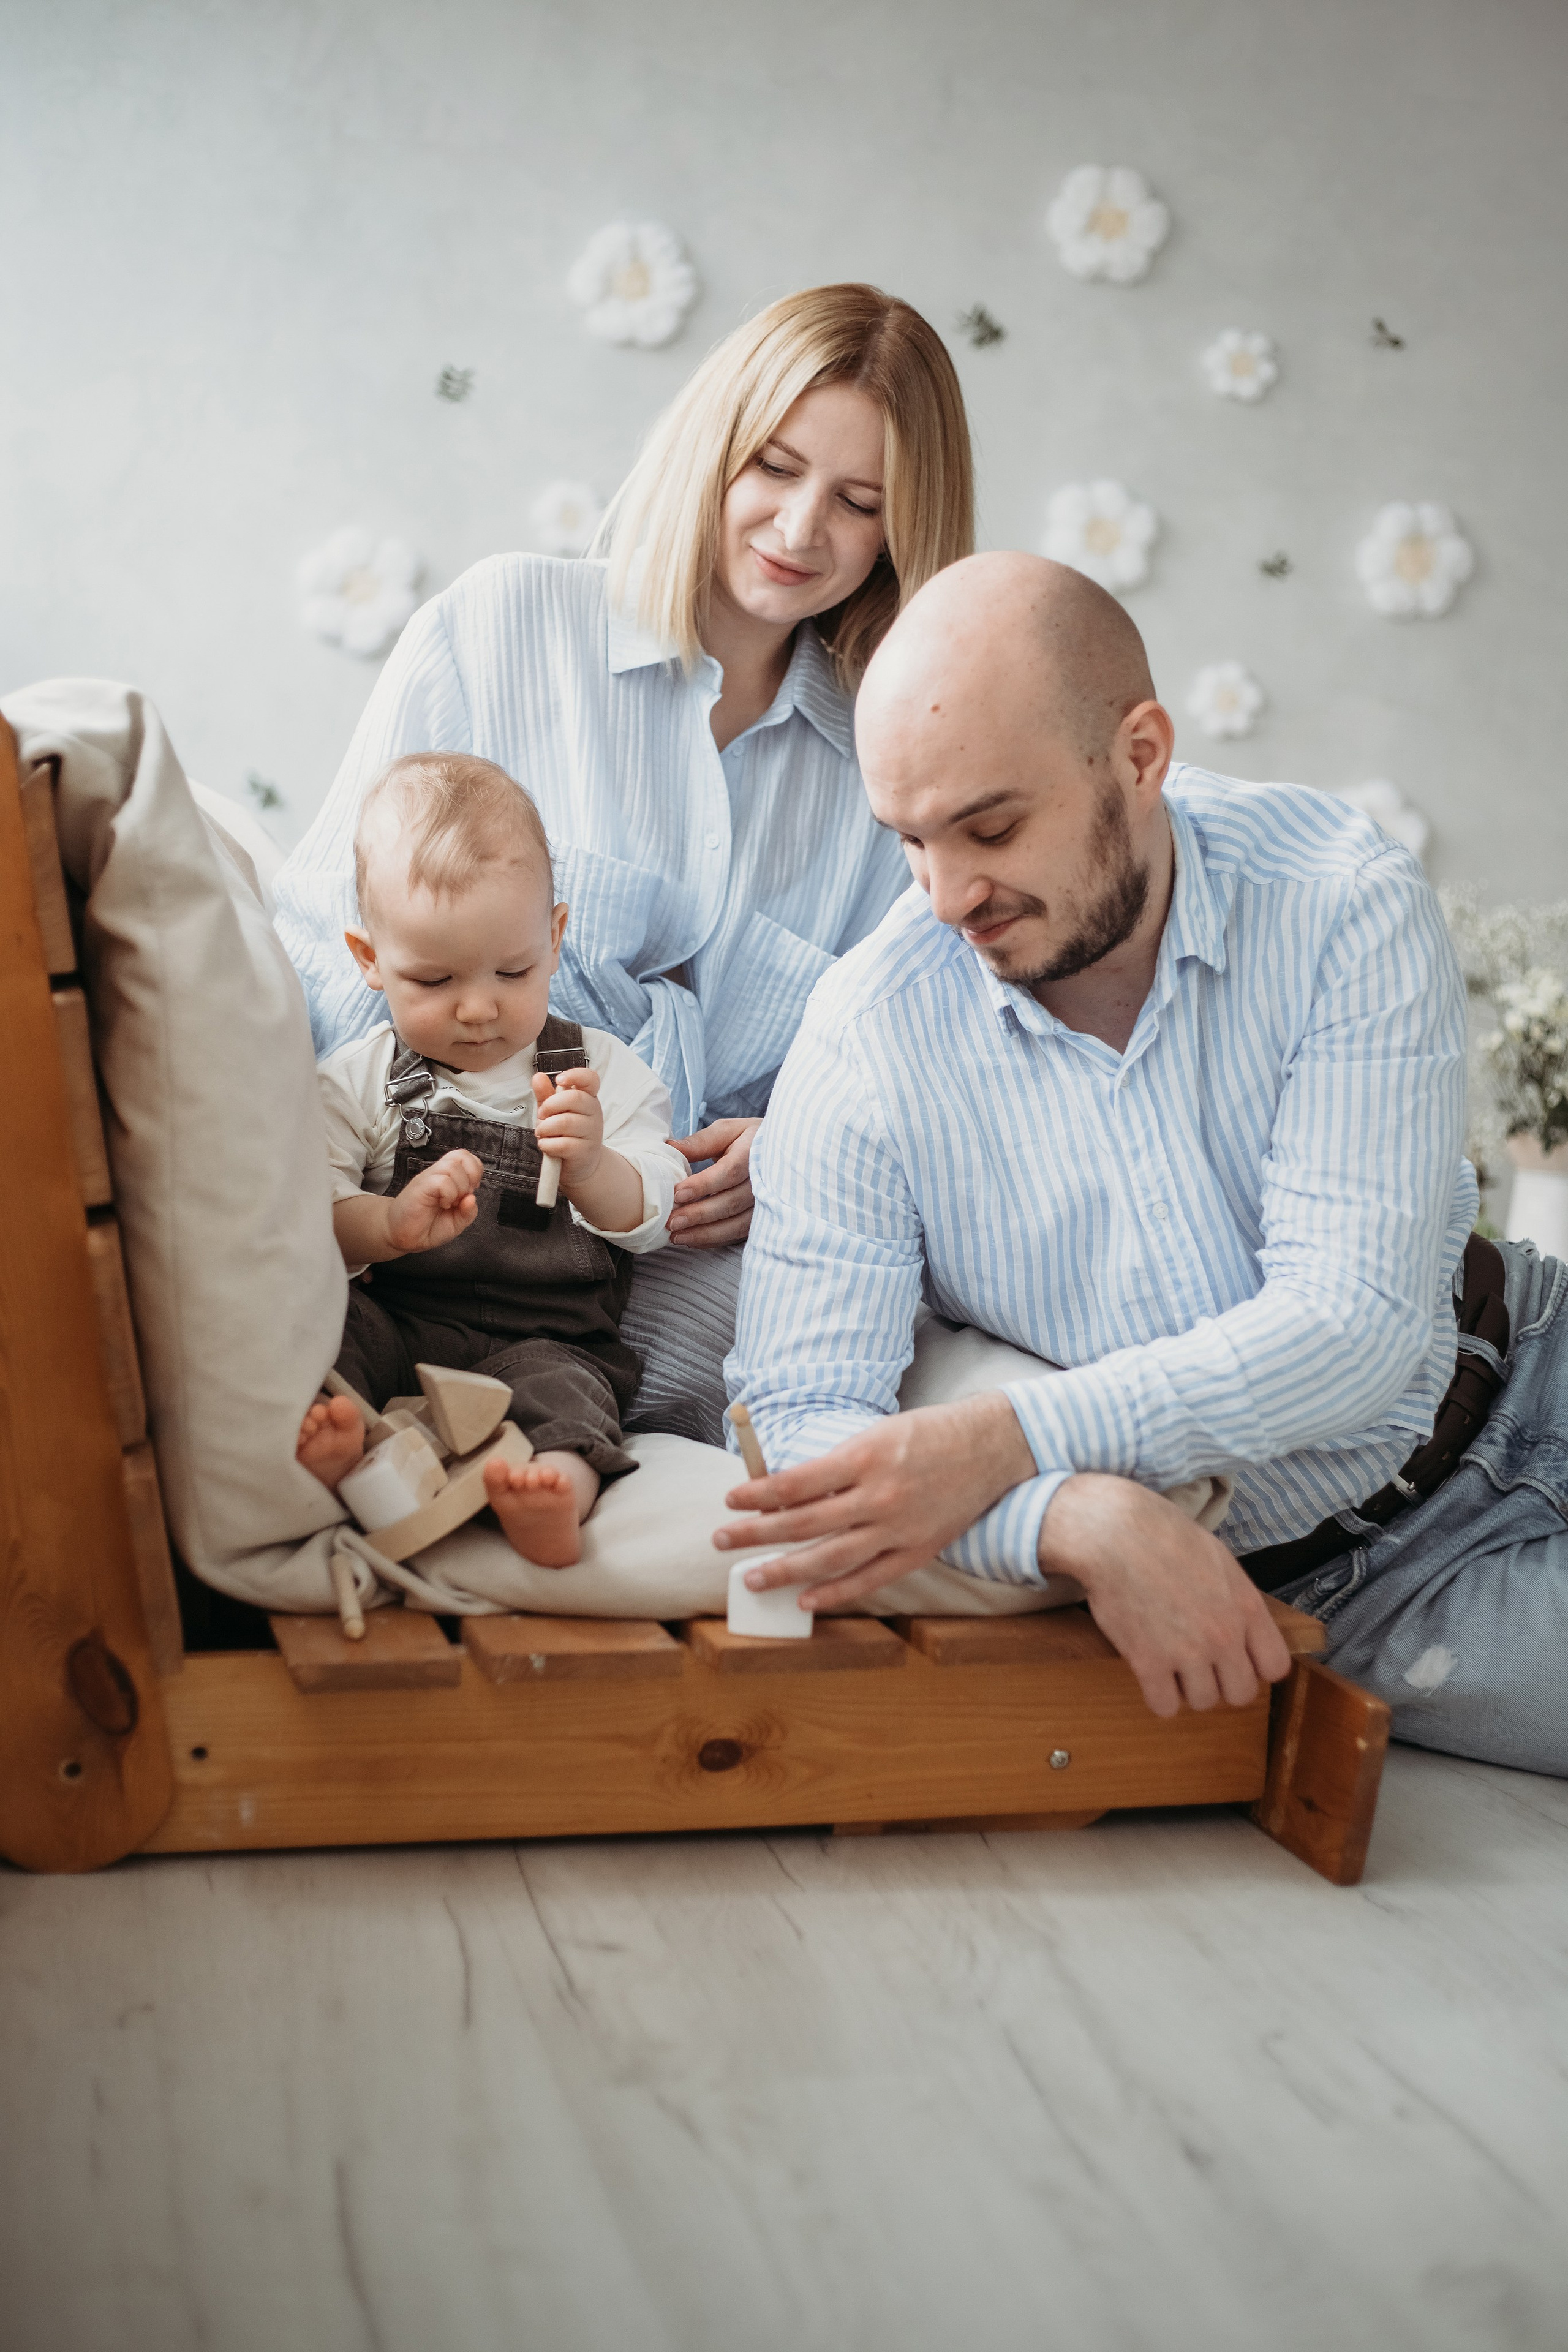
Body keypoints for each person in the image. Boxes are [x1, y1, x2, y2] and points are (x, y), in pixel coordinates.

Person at [722, 551, 1567, 1778]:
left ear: (1139, 754)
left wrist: (1007, 1439)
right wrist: (1064, 1509)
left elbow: (1351, 1325)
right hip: (1363, 1584)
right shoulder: (865, 1037)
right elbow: (801, 1423)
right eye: (905, 839)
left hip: (1532, 1350)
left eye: (990, 827)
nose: (946, 894)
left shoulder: (1338, 899)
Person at [273, 284, 974, 1445]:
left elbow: (905, 1049)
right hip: (433, 1221)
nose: (802, 531)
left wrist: (796, 1139)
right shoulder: (499, 630)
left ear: (906, 530)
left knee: (857, 1365)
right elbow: (324, 948)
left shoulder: (886, 764)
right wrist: (403, 1168)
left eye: (860, 502)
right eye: (775, 468)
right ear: (712, 451)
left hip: (688, 1252)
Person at [296, 752, 687, 1567]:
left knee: (575, 1399)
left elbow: (656, 1213)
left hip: (545, 1343)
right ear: (368, 958)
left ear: (554, 937)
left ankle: (551, 1495)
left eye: (513, 971)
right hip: (402, 1330)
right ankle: (353, 1460)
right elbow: (314, 1223)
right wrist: (390, 1225)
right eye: (433, 979)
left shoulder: (599, 1071)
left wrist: (594, 1166)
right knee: (326, 1335)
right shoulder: (361, 1081)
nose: (478, 1008)